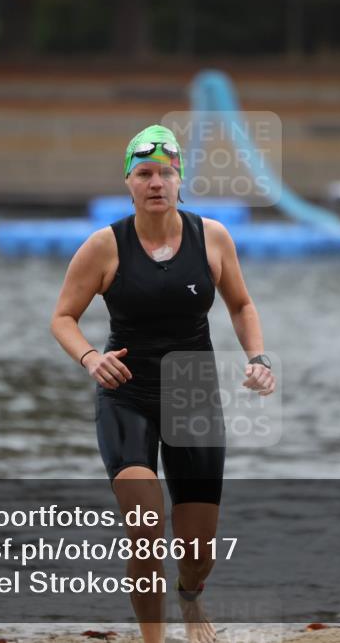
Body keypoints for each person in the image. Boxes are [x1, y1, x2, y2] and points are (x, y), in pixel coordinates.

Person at [50, 124, 276, 643]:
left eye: (166, 173)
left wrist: (258, 357)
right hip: (126, 393)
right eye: (144, 174)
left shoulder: (212, 237)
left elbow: (242, 304)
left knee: (198, 553)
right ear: (128, 182)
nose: (156, 183)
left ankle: (190, 597)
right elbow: (62, 317)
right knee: (145, 525)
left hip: (193, 394)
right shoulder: (104, 246)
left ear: (180, 180)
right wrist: (90, 358)